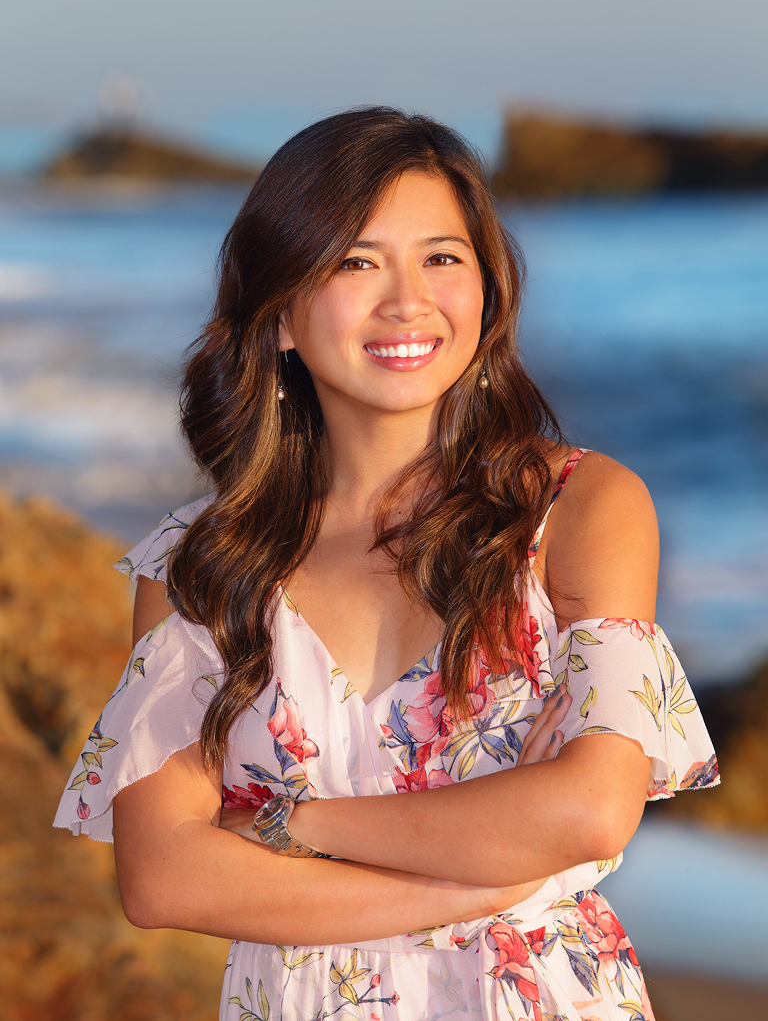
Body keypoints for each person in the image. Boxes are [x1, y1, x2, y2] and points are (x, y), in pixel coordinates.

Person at [55, 107, 719, 1021]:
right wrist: (473, 891)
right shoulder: (198, 564)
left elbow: (590, 811)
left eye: (442, 257)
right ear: (282, 312)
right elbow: (163, 875)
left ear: (487, 290)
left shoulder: (577, 508)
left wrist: (289, 824)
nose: (407, 301)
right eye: (356, 261)